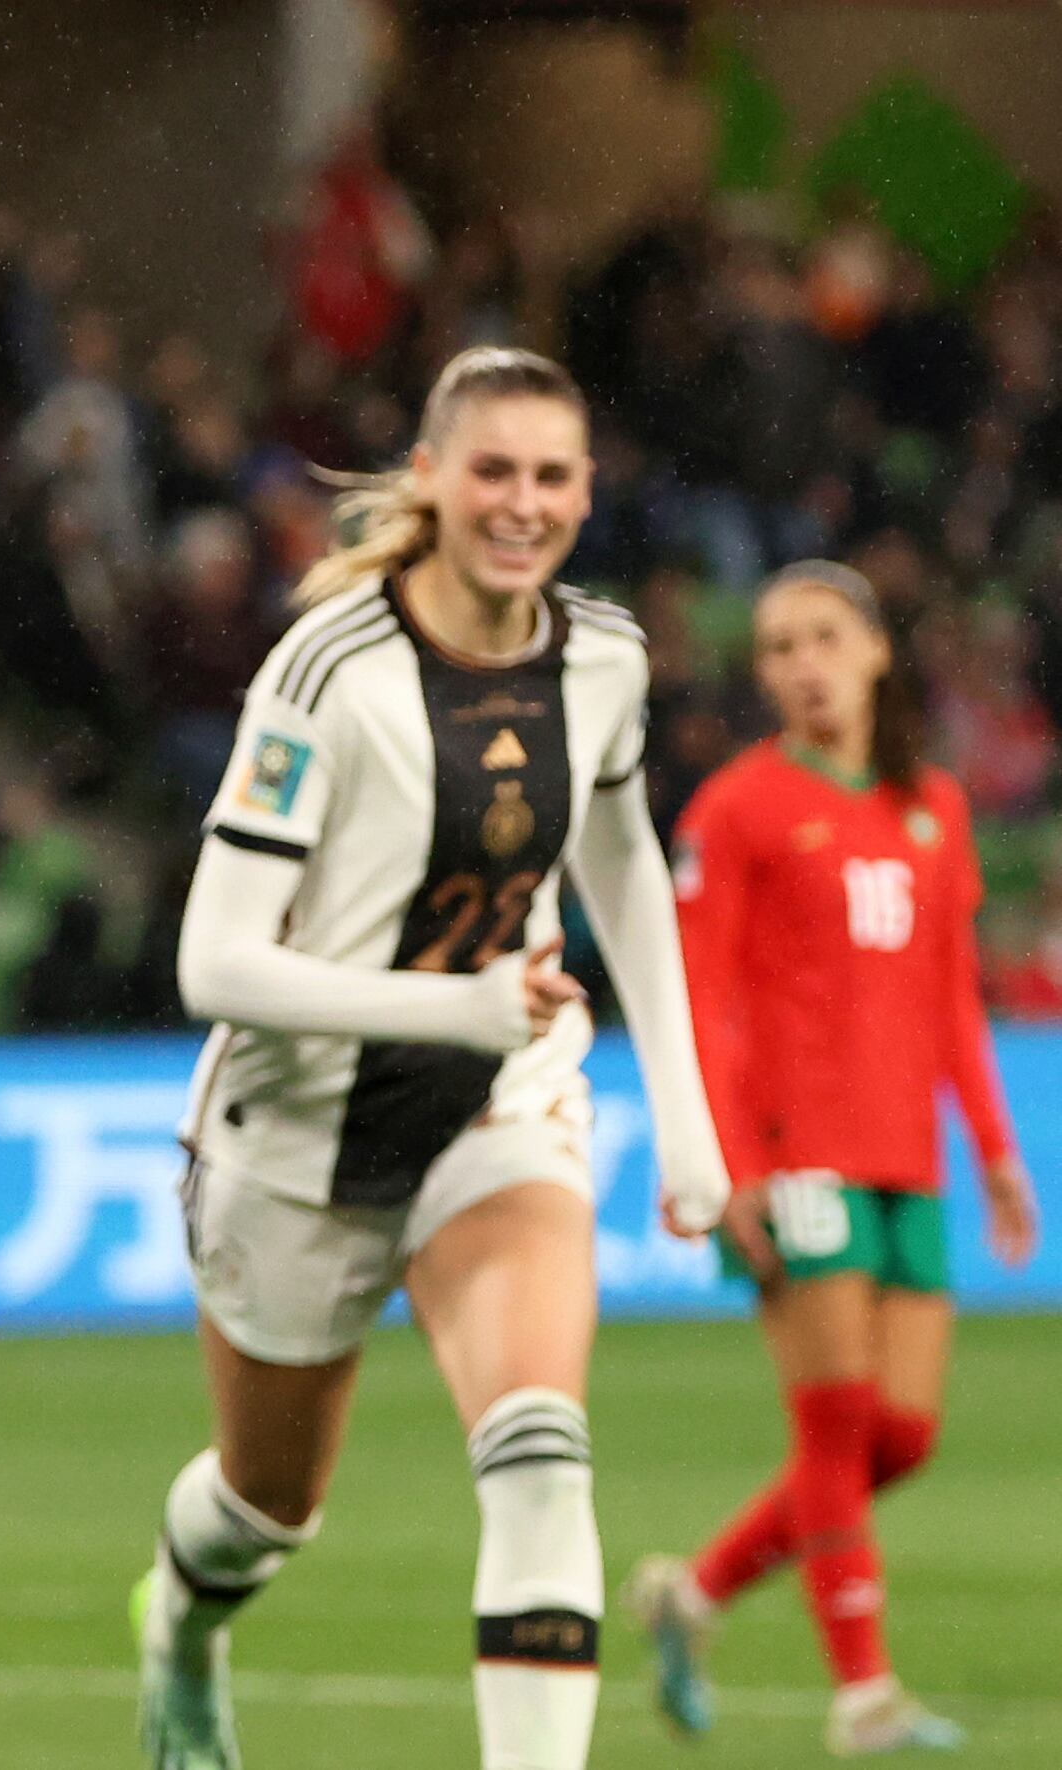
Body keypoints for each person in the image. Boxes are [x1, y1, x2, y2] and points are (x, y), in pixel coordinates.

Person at [136, 347, 731, 1770]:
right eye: (490, 471)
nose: (519, 503)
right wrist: (443, 1005)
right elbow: (210, 963)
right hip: (294, 1127)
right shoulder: (325, 669)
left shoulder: (599, 652)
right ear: (427, 480)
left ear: (584, 492)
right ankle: (179, 1624)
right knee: (265, 1504)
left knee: (537, 1451)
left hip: (498, 1101)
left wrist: (686, 1110)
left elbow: (624, 865)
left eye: (548, 475)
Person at [628, 560, 1039, 1757]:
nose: (801, 665)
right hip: (792, 1150)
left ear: (873, 651)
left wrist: (997, 1150)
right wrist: (722, 1157)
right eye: (776, 648)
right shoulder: (737, 811)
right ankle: (864, 1696)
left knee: (902, 1439)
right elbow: (701, 996)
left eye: (822, 638)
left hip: (905, 1151)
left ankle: (693, 1596)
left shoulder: (933, 808)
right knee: (836, 1424)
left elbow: (952, 992)